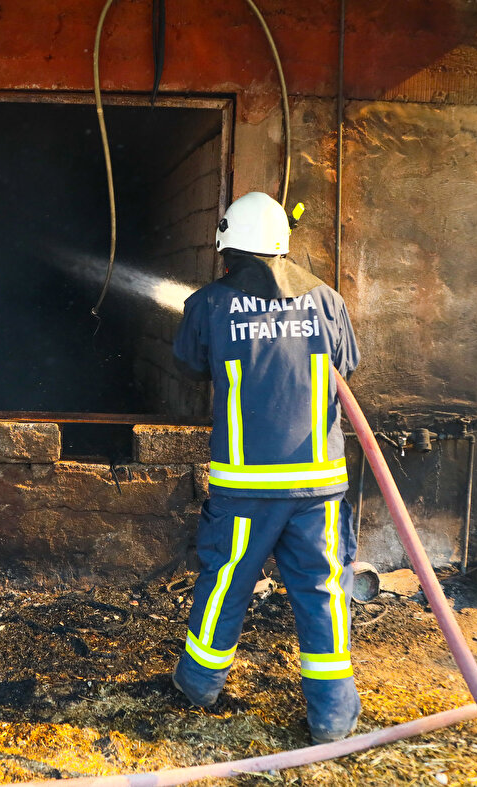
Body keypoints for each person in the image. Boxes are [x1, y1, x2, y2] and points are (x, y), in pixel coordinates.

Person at [170, 191, 361, 743]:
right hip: (317, 484)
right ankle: (332, 717)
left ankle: (199, 685)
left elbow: (189, 366)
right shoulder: (326, 299)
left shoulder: (208, 303)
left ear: (228, 247)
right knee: (323, 589)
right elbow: (346, 364)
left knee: (226, 583)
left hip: (246, 486)